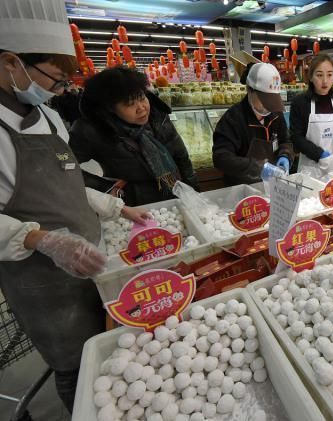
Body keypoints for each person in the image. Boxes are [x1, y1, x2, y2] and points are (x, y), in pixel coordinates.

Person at [0, 0, 148, 415]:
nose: (63, 89)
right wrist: (40, 239)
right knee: (73, 364)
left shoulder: (48, 119)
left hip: (92, 258)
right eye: (58, 78)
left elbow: (68, 185)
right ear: (12, 63)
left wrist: (117, 210)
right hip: (42, 279)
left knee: (102, 346)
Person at [70, 67, 199, 206]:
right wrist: (105, 187)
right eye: (130, 104)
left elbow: (181, 155)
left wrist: (193, 189)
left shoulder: (157, 116)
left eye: (142, 98)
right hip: (131, 204)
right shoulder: (94, 130)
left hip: (173, 193)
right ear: (110, 108)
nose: (141, 108)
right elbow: (66, 167)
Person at [212, 62, 294, 186]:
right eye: (264, 99)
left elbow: (285, 140)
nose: (268, 106)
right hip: (242, 188)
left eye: (272, 101)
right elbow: (221, 158)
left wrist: (285, 155)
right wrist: (257, 167)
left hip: (272, 185)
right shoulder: (233, 119)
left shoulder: (275, 113)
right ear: (249, 90)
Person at [290, 54, 333, 178]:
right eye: (319, 75)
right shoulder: (300, 102)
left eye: (329, 74)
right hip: (311, 167)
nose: (325, 81)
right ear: (311, 77)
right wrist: (320, 154)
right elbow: (296, 138)